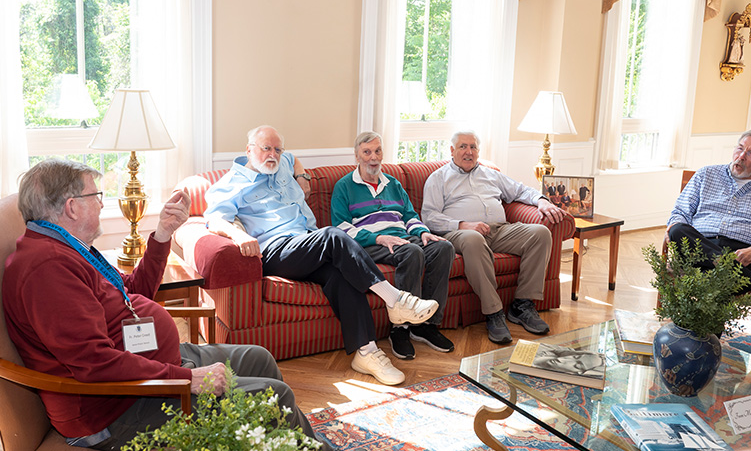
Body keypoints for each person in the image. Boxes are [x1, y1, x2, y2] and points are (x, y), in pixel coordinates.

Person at [2, 158, 328, 450]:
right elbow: (94, 364)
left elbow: (133, 291)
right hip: (116, 408)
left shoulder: (68, 248)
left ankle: (284, 442)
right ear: (72, 207)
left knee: (258, 358)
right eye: (96, 196)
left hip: (142, 364)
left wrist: (162, 234)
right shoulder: (47, 269)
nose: (102, 204)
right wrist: (189, 379)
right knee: (275, 397)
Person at [204, 125, 439, 386]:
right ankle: (396, 300)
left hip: (306, 243)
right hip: (276, 250)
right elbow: (214, 219)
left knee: (341, 275)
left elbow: (294, 160)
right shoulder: (230, 184)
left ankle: (366, 352)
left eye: (277, 149)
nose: (273, 155)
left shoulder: (282, 163)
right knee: (334, 235)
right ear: (249, 150)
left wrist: (302, 176)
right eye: (266, 149)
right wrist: (239, 236)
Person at [421, 130, 570, 344]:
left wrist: (541, 200)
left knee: (540, 233)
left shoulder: (491, 174)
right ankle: (494, 313)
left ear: (478, 151)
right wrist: (463, 224)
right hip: (460, 233)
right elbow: (429, 216)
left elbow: (520, 190)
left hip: (498, 230)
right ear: (452, 150)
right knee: (473, 239)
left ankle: (522, 305)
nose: (468, 152)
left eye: (473, 147)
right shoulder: (438, 178)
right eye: (463, 147)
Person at [331, 131, 455, 360]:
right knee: (412, 252)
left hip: (403, 238)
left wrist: (423, 232)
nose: (373, 157)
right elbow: (340, 228)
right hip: (369, 243)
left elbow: (410, 216)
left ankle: (426, 324)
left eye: (377, 151)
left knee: (443, 248)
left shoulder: (393, 184)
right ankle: (401, 329)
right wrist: (378, 238)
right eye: (367, 152)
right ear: (357, 156)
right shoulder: (344, 186)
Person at [666, 128, 751, 307]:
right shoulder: (706, 174)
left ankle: (692, 334)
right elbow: (680, 212)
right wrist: (675, 227)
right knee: (677, 229)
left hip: (748, 257)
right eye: (740, 148)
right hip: (700, 248)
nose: (741, 156)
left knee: (713, 280)